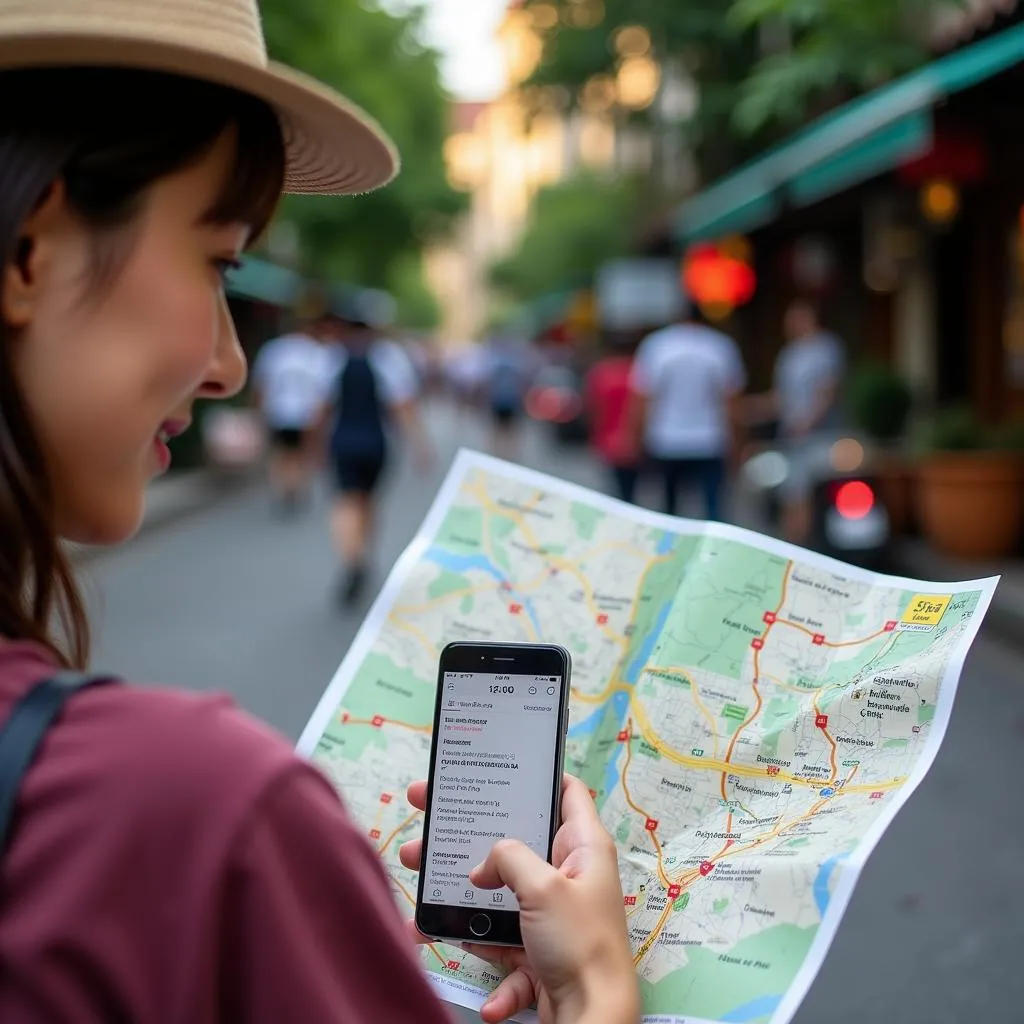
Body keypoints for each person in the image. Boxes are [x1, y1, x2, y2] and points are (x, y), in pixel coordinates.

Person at [0, 2, 641, 1023]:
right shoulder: (199, 820)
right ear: (29, 249)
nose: (229, 363)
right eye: (219, 263)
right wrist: (601, 990)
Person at [319, 299, 432, 606]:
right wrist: (420, 445)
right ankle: (361, 554)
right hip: (376, 441)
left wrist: (313, 446)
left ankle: (351, 557)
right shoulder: (389, 357)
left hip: (343, 440)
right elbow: (403, 405)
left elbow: (322, 408)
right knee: (368, 501)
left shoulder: (332, 357)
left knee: (346, 501)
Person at [629, 304, 747, 520]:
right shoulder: (719, 346)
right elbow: (731, 402)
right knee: (714, 507)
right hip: (710, 439)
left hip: (666, 439)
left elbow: (644, 398)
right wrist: (738, 444)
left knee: (670, 511)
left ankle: (670, 552)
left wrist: (637, 438)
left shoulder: (657, 345)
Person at [756, 299, 846, 544]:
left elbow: (828, 391)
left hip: (821, 436)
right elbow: (781, 397)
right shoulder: (789, 354)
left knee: (813, 493)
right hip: (791, 437)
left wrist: (807, 422)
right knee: (791, 493)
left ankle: (814, 546)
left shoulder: (826, 348)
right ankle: (793, 546)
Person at [251, 293, 333, 515]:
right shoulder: (318, 353)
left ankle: (284, 487)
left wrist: (259, 411)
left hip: (278, 410)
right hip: (306, 413)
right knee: (301, 454)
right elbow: (324, 390)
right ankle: (296, 487)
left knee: (281, 453)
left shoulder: (274, 350)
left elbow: (262, 384)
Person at [585, 338, 641, 504]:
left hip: (608, 436)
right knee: (631, 485)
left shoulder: (601, 373)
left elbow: (593, 407)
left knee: (616, 486)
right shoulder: (638, 372)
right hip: (635, 437)